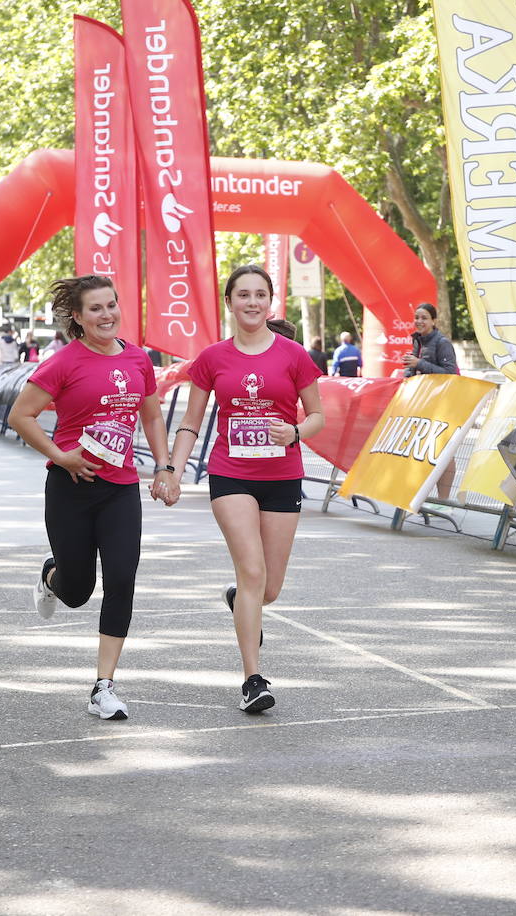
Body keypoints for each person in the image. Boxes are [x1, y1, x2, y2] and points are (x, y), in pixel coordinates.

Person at [6, 275, 174, 721]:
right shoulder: (64, 363)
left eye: (112, 305)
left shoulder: (139, 359)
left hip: (120, 490)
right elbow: (20, 415)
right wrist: (61, 457)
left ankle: (104, 686)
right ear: (77, 318)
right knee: (78, 592)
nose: (107, 315)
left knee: (122, 579)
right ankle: (53, 575)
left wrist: (164, 467)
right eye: (95, 309)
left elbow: (153, 416)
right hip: (71, 489)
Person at [162, 265, 325, 714]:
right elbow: (192, 421)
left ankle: (242, 603)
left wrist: (294, 433)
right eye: (242, 295)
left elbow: (317, 416)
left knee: (268, 589)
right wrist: (173, 470)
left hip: (282, 476)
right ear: (229, 302)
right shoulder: (212, 358)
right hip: (231, 473)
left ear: (269, 302)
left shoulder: (294, 355)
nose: (251, 303)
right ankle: (253, 679)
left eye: (259, 295)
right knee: (251, 573)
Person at [401, 302, 460, 498]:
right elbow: (417, 371)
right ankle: (422, 496)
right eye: (417, 317)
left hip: (443, 405)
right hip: (422, 405)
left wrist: (420, 363)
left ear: (434, 321)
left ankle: (444, 500)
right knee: (424, 451)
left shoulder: (442, 343)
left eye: (424, 317)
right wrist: (409, 372)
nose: (419, 321)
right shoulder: (417, 341)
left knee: (444, 451)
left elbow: (451, 374)